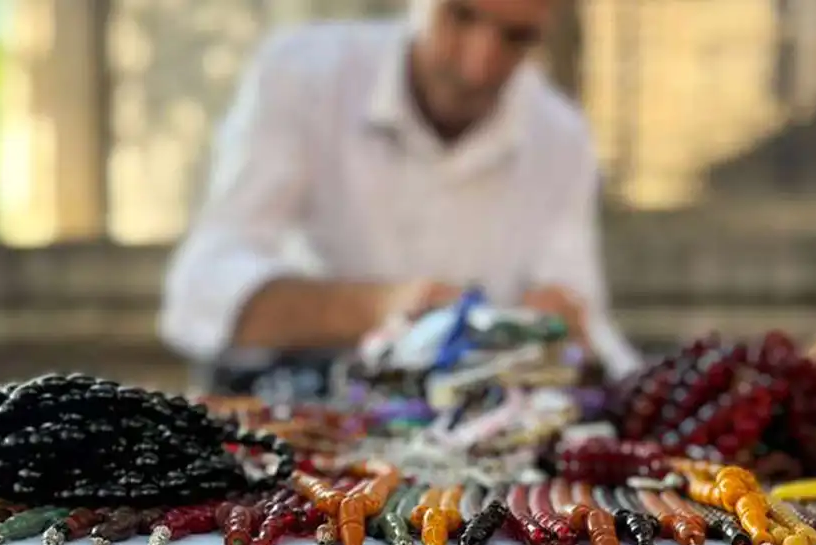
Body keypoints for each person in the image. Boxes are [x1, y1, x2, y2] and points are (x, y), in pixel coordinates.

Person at [160, 0, 642, 397]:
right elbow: (200, 291)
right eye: (461, 16)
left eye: (515, 38)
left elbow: (588, 323)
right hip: (303, 413)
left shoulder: (561, 136)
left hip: (480, 431)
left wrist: (565, 329)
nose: (478, 65)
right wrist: (381, 308)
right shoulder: (300, 76)